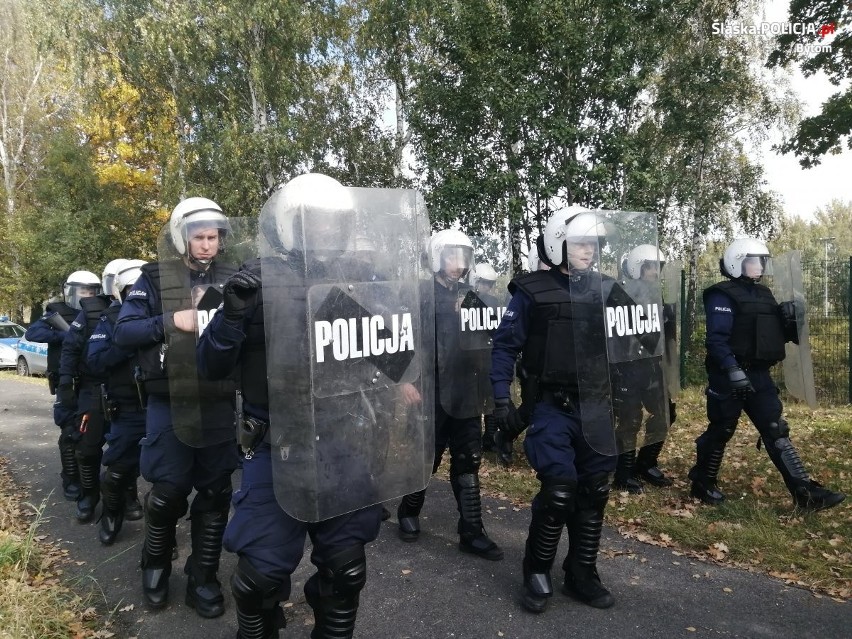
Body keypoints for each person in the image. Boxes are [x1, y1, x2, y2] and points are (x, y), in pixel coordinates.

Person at [198, 173, 407, 639]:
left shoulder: (352, 281)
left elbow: (394, 357)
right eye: (315, 224)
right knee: (258, 580)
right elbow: (210, 366)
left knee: (347, 572)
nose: (326, 233)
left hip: (344, 445)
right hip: (277, 448)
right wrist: (231, 315)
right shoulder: (251, 281)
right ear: (289, 226)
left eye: (335, 224)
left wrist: (391, 308)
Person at [491, 208, 660, 614]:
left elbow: (637, 338)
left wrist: (652, 368)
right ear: (557, 244)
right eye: (581, 243)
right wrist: (501, 399)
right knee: (559, 490)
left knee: (595, 493)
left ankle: (582, 573)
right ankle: (537, 571)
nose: (589, 251)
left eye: (593, 244)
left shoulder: (606, 288)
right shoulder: (531, 291)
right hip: (552, 408)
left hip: (598, 408)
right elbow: (505, 346)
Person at [114, 197, 238, 616]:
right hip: (171, 399)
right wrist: (171, 321)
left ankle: (203, 575)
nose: (207, 245)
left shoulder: (235, 277)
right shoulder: (153, 278)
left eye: (213, 237)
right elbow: (124, 333)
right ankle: (155, 563)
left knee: (216, 492)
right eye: (199, 237)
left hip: (219, 398)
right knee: (167, 492)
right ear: (181, 237)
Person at [688, 238, 845, 511]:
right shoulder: (721, 294)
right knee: (722, 428)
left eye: (761, 260)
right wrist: (732, 369)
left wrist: (791, 322)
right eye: (752, 260)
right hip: (729, 374)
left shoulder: (764, 294)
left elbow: (769, 337)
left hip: (759, 374)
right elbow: (716, 340)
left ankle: (805, 494)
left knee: (775, 429)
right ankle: (702, 481)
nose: (758, 266)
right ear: (736, 262)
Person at [396, 231, 504, 561]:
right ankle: (408, 511)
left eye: (463, 258)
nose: (458, 265)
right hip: (430, 390)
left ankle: (472, 531)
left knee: (468, 461)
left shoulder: (472, 295)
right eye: (451, 257)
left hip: (466, 391)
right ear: (437, 257)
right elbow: (399, 340)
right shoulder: (417, 294)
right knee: (427, 458)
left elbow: (489, 341)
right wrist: (403, 380)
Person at [59, 259, 128, 522]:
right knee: (87, 448)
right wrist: (66, 383)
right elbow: (70, 349)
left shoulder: (139, 309)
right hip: (93, 387)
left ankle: (126, 497)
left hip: (127, 389)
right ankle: (89, 495)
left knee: (125, 451)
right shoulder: (89, 310)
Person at [25, 270, 101, 501]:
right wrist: (67, 336)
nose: (85, 296)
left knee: (92, 434)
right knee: (69, 432)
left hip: (92, 381)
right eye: (82, 291)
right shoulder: (56, 311)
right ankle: (71, 478)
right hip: (65, 381)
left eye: (90, 292)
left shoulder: (99, 313)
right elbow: (33, 332)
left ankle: (91, 480)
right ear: (70, 291)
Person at [87, 259, 148, 545]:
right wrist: (126, 344)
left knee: (169, 479)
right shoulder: (109, 321)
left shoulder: (164, 316)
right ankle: (112, 513)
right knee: (120, 468)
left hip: (166, 405)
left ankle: (163, 540)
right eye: (134, 289)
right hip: (128, 409)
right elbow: (95, 362)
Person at [611, 244, 675, 493]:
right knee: (630, 418)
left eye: (658, 267)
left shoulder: (656, 293)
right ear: (638, 267)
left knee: (666, 412)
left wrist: (667, 319)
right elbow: (615, 332)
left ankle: (646, 463)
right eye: (650, 267)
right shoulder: (622, 292)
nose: (655, 272)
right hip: (628, 364)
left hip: (652, 364)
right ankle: (623, 472)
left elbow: (660, 336)